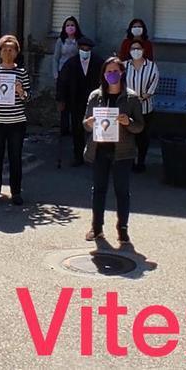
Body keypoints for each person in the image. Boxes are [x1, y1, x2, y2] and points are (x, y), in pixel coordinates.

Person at [83, 56, 144, 244]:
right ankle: (96, 227)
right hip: (100, 149)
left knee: (122, 191)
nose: (112, 75)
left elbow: (140, 127)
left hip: (122, 152)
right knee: (98, 189)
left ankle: (122, 229)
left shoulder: (132, 98)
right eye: (108, 71)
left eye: (115, 71)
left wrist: (129, 122)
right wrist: (90, 123)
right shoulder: (95, 96)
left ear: (122, 73)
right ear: (103, 74)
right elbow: (85, 123)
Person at [0, 34, 31, 205]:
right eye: (4, 49)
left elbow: (27, 97)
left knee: (15, 157)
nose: (8, 52)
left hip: (16, 122)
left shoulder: (21, 72)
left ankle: (16, 192)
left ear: (17, 52)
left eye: (11, 49)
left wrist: (20, 91)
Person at [56, 36, 101, 167]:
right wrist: (61, 99)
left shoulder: (98, 62)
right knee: (77, 129)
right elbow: (62, 82)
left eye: (87, 49)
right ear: (79, 49)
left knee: (96, 129)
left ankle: (95, 155)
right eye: (83, 49)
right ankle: (78, 156)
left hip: (95, 101)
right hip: (75, 100)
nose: (85, 51)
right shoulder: (71, 63)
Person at [123, 39, 160, 173]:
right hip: (128, 108)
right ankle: (130, 161)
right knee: (129, 136)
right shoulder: (124, 65)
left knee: (143, 137)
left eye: (138, 48)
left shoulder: (151, 66)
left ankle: (141, 161)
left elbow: (154, 83)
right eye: (133, 48)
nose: (136, 51)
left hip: (145, 107)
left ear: (143, 50)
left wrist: (145, 95)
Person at [53, 16, 83, 135]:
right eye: (68, 25)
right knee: (63, 102)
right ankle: (64, 128)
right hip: (62, 74)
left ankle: (76, 127)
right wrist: (56, 75)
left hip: (76, 74)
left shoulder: (80, 40)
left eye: (72, 25)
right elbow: (55, 58)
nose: (70, 27)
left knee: (75, 102)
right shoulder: (61, 40)